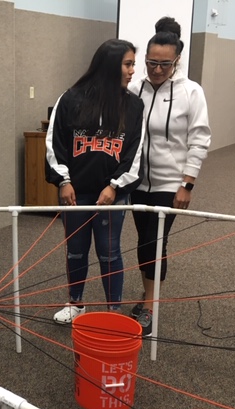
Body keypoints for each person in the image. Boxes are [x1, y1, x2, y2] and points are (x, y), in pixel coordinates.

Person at [46, 39, 144, 325]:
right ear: (111, 65)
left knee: (109, 252)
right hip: (75, 193)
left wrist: (114, 186)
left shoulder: (134, 106)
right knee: (75, 250)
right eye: (128, 64)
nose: (132, 71)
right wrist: (63, 181)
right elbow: (55, 144)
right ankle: (76, 303)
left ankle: (113, 311)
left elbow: (134, 152)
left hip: (112, 194)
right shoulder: (71, 98)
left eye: (133, 65)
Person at [127, 17, 211, 336]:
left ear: (176, 61)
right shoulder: (136, 89)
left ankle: (149, 306)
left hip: (170, 184)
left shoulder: (191, 92)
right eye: (150, 62)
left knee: (153, 242)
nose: (157, 69)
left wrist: (187, 183)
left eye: (164, 64)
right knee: (144, 242)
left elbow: (200, 138)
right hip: (137, 182)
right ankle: (149, 294)